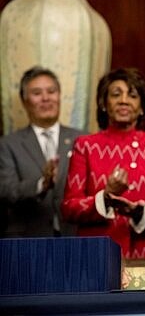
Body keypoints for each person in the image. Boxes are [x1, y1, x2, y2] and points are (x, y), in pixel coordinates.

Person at [61, 68, 145, 259]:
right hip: (95, 254)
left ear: (141, 107)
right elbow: (69, 207)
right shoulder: (85, 145)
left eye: (132, 95)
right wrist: (106, 196)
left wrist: (138, 211)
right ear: (104, 104)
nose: (124, 100)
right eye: (116, 94)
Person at [0, 66, 85, 237]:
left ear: (59, 96)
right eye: (37, 93)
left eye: (51, 91)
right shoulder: (8, 144)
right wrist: (41, 184)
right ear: (24, 101)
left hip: (75, 237)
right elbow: (6, 190)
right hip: (27, 240)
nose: (46, 98)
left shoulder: (83, 140)